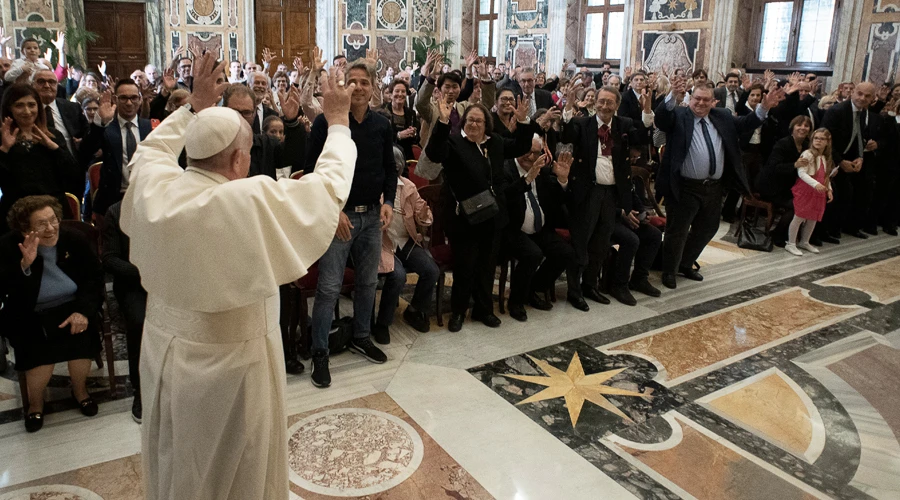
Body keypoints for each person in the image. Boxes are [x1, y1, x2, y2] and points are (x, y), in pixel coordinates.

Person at [121, 52, 357, 500]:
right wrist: (339, 122)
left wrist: (195, 106)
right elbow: (327, 189)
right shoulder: (244, 201)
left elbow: (151, 152)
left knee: (174, 456)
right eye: (247, 154)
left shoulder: (153, 187)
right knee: (239, 470)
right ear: (236, 161)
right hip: (232, 370)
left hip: (164, 352)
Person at [304, 59, 396, 388]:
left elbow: (390, 170)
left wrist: (388, 202)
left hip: (372, 216)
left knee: (367, 283)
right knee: (328, 289)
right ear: (344, 87)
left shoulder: (382, 125)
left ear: (373, 88)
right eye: (351, 81)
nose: (357, 87)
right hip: (338, 218)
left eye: (364, 82)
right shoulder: (326, 124)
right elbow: (312, 170)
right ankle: (320, 353)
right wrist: (333, 208)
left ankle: (360, 336)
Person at [655, 76, 784, 289]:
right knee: (677, 231)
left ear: (714, 101)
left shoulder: (722, 116)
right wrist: (671, 96)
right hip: (685, 186)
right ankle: (669, 270)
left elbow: (745, 124)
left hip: (713, 187)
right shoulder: (679, 115)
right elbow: (661, 119)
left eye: (706, 100)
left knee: (707, 228)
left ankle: (685, 263)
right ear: (691, 98)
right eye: (697, 98)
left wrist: (764, 107)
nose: (701, 103)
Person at [426, 99, 535, 332]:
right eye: (470, 120)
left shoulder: (494, 142)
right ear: (464, 123)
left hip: (494, 215)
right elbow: (435, 153)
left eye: (480, 120)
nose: (474, 124)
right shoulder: (454, 143)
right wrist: (443, 121)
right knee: (465, 266)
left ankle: (483, 310)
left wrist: (525, 121)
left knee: (487, 266)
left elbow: (520, 146)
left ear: (487, 125)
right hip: (464, 217)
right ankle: (458, 312)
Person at [0, 196, 103, 432]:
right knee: (39, 358)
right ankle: (35, 405)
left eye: (53, 220)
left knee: (80, 348)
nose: (50, 228)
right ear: (25, 228)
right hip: (30, 313)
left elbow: (93, 279)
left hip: (72, 307)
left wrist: (83, 312)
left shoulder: (74, 240)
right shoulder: (7, 247)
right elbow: (7, 292)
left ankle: (80, 392)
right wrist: (24, 267)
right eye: (41, 224)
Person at [561, 85, 655, 308]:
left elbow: (641, 137)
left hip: (612, 193)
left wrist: (647, 111)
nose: (604, 106)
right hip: (587, 193)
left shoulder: (624, 125)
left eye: (609, 102)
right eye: (601, 101)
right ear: (595, 103)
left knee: (601, 243)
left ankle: (590, 286)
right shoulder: (583, 124)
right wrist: (567, 107)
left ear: (617, 105)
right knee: (581, 242)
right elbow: (566, 134)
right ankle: (574, 291)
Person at [502, 135, 578, 321]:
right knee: (532, 254)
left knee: (565, 253)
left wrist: (562, 180)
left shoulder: (543, 171)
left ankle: (531, 289)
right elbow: (505, 198)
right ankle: (516, 302)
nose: (530, 156)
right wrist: (527, 179)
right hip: (512, 228)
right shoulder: (506, 169)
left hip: (539, 228)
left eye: (535, 152)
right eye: (526, 151)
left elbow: (557, 200)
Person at [374, 146, 438, 342]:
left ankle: (414, 310)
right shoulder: (374, 188)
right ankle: (382, 323)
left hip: (405, 241)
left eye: (396, 167)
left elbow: (424, 216)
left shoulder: (408, 187)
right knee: (398, 276)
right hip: (383, 244)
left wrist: (424, 215)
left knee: (431, 270)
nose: (393, 171)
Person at [0, 84, 81, 231]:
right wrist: (4, 150)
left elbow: (74, 176)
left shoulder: (53, 135)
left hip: (53, 211)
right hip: (17, 215)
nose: (27, 111)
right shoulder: (2, 139)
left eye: (32, 105)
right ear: (9, 108)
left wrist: (54, 147)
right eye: (19, 105)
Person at [78, 79, 152, 215]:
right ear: (115, 99)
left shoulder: (148, 126)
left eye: (133, 97)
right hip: (113, 200)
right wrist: (100, 122)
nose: (129, 103)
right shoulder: (106, 127)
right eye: (123, 98)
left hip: (145, 198)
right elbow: (85, 152)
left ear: (140, 99)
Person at [101, 199, 146, 423]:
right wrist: (145, 273)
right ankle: (141, 391)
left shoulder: (171, 203)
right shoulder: (116, 211)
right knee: (139, 323)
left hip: (168, 280)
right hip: (133, 283)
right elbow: (109, 258)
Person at [822, 82, 882, 239]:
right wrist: (840, 162)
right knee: (836, 195)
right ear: (853, 93)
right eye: (860, 93)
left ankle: (847, 227)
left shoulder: (862, 113)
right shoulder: (837, 111)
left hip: (850, 159)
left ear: (872, 98)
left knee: (857, 193)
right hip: (831, 159)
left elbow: (859, 137)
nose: (862, 98)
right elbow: (826, 140)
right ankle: (826, 231)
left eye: (867, 96)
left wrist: (860, 157)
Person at [755, 116, 812, 246]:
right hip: (771, 186)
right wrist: (794, 165)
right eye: (799, 125)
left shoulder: (806, 146)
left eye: (806, 126)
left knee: (808, 199)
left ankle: (802, 236)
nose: (803, 128)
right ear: (792, 128)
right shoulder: (783, 143)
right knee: (796, 205)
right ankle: (778, 233)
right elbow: (774, 168)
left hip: (788, 186)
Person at [786, 128, 834, 256]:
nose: (818, 141)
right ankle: (791, 243)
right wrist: (816, 184)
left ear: (827, 142)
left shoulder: (825, 157)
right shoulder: (807, 154)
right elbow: (801, 173)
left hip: (818, 191)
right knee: (799, 216)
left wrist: (829, 189)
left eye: (822, 139)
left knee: (812, 217)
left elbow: (825, 176)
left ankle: (805, 241)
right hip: (806, 189)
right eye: (816, 138)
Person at [32, 69, 88, 156]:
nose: (47, 85)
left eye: (51, 82)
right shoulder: (27, 111)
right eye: (41, 81)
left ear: (57, 86)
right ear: (32, 85)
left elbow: (87, 135)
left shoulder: (72, 108)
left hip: (72, 163)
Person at [383, 79, 418, 162]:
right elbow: (381, 136)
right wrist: (398, 136)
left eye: (403, 91)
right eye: (397, 91)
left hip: (407, 156)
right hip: (389, 155)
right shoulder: (383, 112)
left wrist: (413, 133)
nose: (400, 94)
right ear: (391, 95)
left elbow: (417, 138)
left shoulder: (411, 113)